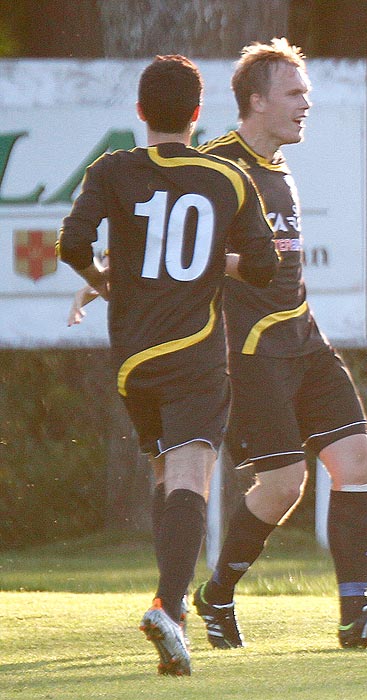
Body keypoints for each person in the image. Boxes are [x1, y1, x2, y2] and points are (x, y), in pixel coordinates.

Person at [191, 38, 367, 649]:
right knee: (283, 486)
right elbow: (185, 255)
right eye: (294, 94)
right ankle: (215, 597)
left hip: (306, 339)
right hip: (251, 353)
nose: (305, 105)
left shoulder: (277, 165)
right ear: (257, 100)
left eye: (308, 95)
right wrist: (241, 265)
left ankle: (355, 615)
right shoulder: (216, 167)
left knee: (356, 465)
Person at [59, 54, 278, 676]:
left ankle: (168, 606)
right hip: (195, 350)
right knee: (192, 472)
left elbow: (73, 245)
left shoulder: (112, 170)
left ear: (139, 113)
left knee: (165, 474)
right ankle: (172, 606)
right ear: (198, 114)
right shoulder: (227, 178)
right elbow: (263, 266)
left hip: (132, 358)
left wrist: (99, 281)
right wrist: (217, 262)